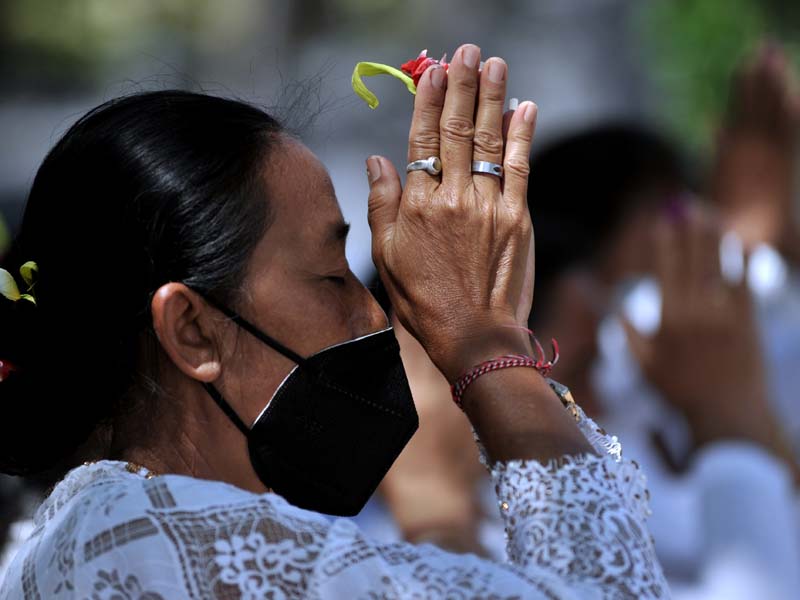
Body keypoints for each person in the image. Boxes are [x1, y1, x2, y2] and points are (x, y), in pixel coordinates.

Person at [0, 45, 667, 598]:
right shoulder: (146, 539)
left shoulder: (106, 529)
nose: (374, 312)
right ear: (192, 330)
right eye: (329, 277)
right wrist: (486, 345)